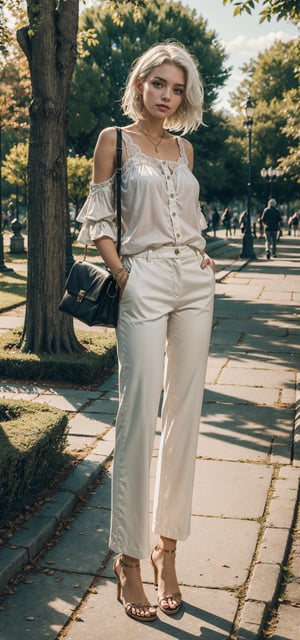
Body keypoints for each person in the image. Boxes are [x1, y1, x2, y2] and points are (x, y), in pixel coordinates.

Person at [76, 41, 216, 623]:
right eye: (158, 83)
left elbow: (187, 217)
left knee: (185, 417)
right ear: (140, 84)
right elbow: (98, 216)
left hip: (194, 283)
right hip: (143, 278)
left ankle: (168, 549)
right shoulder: (113, 139)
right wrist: (122, 273)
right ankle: (128, 558)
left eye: (177, 88)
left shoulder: (183, 150)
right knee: (137, 414)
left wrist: (203, 256)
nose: (166, 95)